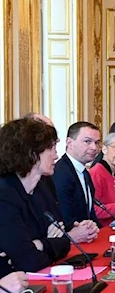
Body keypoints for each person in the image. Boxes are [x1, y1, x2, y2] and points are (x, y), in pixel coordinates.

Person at [0, 118, 70, 278]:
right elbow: (28, 261)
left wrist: (39, 244)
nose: (56, 155)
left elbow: (65, 242)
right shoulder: (5, 195)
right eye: (51, 148)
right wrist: (48, 243)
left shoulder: (41, 188)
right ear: (32, 153)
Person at [52, 122, 102, 243]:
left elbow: (89, 213)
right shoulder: (61, 172)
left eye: (97, 142)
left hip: (88, 238)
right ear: (69, 143)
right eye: (87, 141)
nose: (94, 148)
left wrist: (93, 226)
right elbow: (65, 216)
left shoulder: (84, 172)